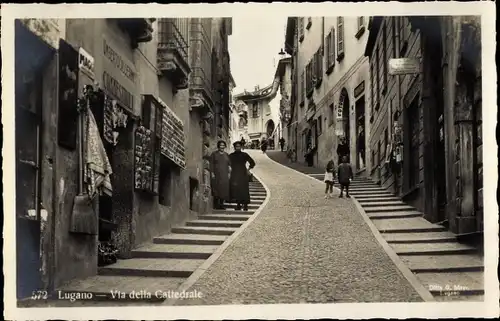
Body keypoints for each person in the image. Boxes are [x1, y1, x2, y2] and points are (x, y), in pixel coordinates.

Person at [229, 141, 256, 211]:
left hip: (243, 174)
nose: (238, 148)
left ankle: (245, 205)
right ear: (234, 147)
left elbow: (252, 163)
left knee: (245, 190)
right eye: (236, 146)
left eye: (239, 146)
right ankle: (238, 205)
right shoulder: (231, 156)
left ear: (241, 147)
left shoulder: (244, 154)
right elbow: (227, 164)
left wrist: (248, 169)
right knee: (237, 190)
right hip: (234, 174)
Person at [210, 140, 231, 209]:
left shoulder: (226, 155)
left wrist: (229, 173)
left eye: (223, 145)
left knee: (224, 189)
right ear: (218, 146)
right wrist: (212, 173)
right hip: (217, 174)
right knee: (216, 189)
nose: (222, 147)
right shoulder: (214, 154)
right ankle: (216, 205)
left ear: (225, 146)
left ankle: (221, 205)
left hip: (224, 175)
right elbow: (211, 164)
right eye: (220, 145)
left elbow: (229, 165)